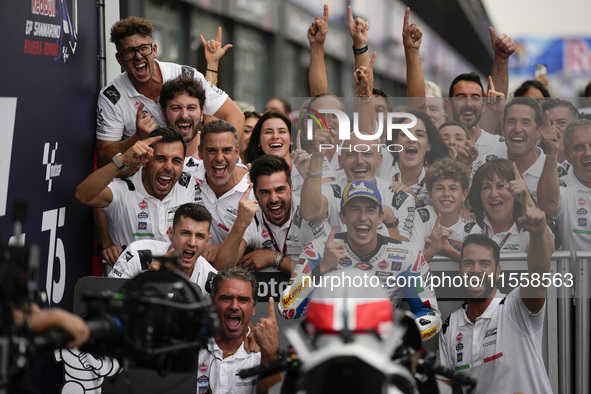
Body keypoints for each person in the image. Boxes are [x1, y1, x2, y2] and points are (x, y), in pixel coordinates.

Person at [279, 180, 441, 342]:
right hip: (331, 348)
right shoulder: (318, 250)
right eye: (354, 209)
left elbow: (430, 315)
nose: (362, 217)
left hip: (380, 350)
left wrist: (398, 337)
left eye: (370, 210)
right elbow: (288, 308)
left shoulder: (408, 255)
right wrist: (322, 268)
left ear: (380, 217)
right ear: (342, 216)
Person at [95, 16, 243, 166]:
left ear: (154, 50)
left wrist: (227, 162)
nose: (138, 56)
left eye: (143, 48)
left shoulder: (185, 74)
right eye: (129, 51)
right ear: (119, 59)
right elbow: (104, 155)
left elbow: (235, 115)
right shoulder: (111, 97)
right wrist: (137, 137)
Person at [437, 231, 553, 393]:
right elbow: (442, 388)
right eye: (468, 263)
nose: (476, 270)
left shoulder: (515, 306)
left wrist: (538, 231)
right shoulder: (450, 326)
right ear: (460, 270)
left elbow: (538, 272)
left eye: (485, 264)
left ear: (498, 272)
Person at [76, 128, 195, 248]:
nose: (168, 167)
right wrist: (122, 161)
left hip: (175, 266)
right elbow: (82, 195)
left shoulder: (189, 183)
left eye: (176, 161)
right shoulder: (125, 188)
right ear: (145, 161)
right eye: (160, 158)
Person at [214, 155, 331, 274]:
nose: (274, 199)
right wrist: (239, 224)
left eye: (280, 190)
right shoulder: (250, 217)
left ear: (291, 188)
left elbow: (323, 270)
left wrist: (273, 258)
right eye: (265, 192)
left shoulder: (308, 215)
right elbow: (220, 270)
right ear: (255, 195)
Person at [198, 266, 281, 394]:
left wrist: (270, 353)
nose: (234, 306)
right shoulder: (192, 347)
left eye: (243, 300)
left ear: (253, 309)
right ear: (212, 304)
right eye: (226, 298)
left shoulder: (263, 353)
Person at [109, 203, 217, 295]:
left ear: (208, 241)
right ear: (171, 233)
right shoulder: (136, 254)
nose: (192, 243)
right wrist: (148, 280)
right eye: (185, 233)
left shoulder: (212, 279)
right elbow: (110, 299)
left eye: (200, 236)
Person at [186, 119, 250, 246]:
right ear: (200, 152)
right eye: (212, 150)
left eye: (226, 150)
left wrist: (221, 250)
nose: (219, 158)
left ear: (236, 152)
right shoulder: (186, 171)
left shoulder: (252, 188)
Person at [469, 158, 554, 252]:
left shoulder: (529, 227)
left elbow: (548, 251)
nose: (493, 194)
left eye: (501, 186)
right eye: (486, 187)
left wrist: (528, 201)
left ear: (515, 193)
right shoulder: (468, 223)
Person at [408, 157, 480, 262]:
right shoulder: (419, 217)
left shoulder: (471, 227)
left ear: (464, 194)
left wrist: (448, 251)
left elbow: (480, 266)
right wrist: (433, 250)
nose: (446, 194)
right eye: (439, 188)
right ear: (430, 194)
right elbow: (411, 265)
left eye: (453, 188)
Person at [538, 119, 591, 251]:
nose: (588, 153)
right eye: (579, 147)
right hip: (578, 272)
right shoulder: (563, 186)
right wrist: (552, 152)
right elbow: (549, 206)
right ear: (567, 156)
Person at [446, 73, 506, 177]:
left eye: (475, 98)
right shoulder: (438, 146)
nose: (469, 104)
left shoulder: (500, 145)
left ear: (483, 106)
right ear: (449, 105)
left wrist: (502, 112)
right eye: (461, 98)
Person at [390, 110, 450, 207]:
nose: (411, 139)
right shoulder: (382, 164)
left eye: (420, 135)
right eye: (404, 134)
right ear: (395, 143)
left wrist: (417, 202)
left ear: (429, 145)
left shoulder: (438, 179)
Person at [500, 97, 547, 199]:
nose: (517, 129)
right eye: (511, 122)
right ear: (503, 129)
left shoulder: (555, 172)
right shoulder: (490, 165)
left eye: (526, 123)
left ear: (539, 131)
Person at [159, 75, 206, 159]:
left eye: (191, 108)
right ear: (164, 114)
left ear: (201, 114)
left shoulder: (217, 153)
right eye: (176, 108)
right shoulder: (152, 154)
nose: (184, 116)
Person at [541, 98, 580, 172]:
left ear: (576, 127)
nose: (554, 128)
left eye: (561, 123)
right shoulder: (533, 161)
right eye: (548, 123)